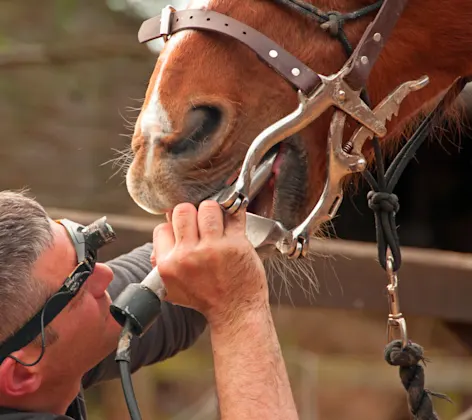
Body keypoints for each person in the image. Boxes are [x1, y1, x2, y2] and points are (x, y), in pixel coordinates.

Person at [0, 190, 298, 419]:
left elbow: (188, 282)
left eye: (86, 255)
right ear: (21, 374)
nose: (106, 275)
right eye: (78, 285)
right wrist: (240, 310)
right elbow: (224, 291)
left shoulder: (39, 352)